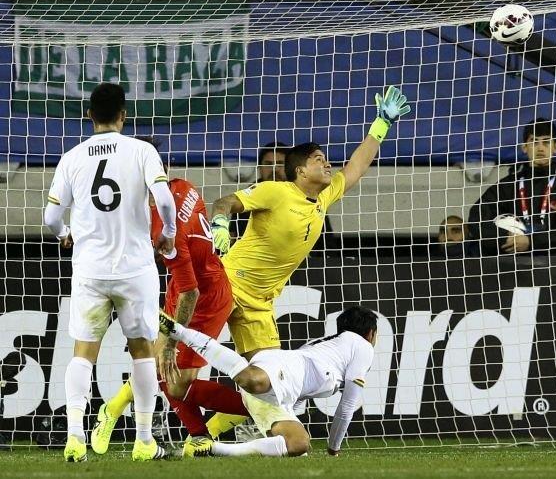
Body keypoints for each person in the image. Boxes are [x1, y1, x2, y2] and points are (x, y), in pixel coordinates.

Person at [203, 85, 409, 441]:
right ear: (299, 171)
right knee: (185, 356)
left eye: (326, 158)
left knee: (268, 382)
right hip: (227, 282)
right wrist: (220, 223)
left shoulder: (323, 197)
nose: (327, 163)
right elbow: (223, 202)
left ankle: (206, 434)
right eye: (318, 160)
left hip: (260, 301)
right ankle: (116, 412)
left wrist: (381, 125)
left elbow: (356, 166)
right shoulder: (276, 191)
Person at [89, 139, 250, 459]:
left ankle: (257, 404)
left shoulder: (165, 227)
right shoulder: (184, 186)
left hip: (203, 299)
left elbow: (190, 289)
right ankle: (121, 413)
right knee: (157, 366)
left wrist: (175, 340)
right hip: (193, 285)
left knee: (173, 379)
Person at [43, 83, 176, 462]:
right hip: (135, 269)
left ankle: (74, 437)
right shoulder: (142, 150)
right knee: (143, 353)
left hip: (91, 269)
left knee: (82, 354)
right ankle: (145, 440)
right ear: (124, 115)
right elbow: (164, 199)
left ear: (90, 115)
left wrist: (65, 234)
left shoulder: (72, 157)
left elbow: (51, 216)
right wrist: (168, 234)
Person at [158, 305, 376, 457]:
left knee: (299, 443)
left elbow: (300, 392)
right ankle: (179, 331)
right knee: (252, 380)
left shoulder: (325, 345)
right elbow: (347, 407)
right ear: (371, 333)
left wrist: (289, 413)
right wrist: (333, 448)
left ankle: (211, 448)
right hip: (280, 372)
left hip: (279, 383)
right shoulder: (362, 346)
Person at [468, 119, 556, 256]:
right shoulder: (507, 185)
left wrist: (530, 241)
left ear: (555, 147)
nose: (540, 148)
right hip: (515, 267)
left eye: (546, 142)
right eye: (534, 142)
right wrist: (505, 237)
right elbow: (476, 218)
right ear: (524, 147)